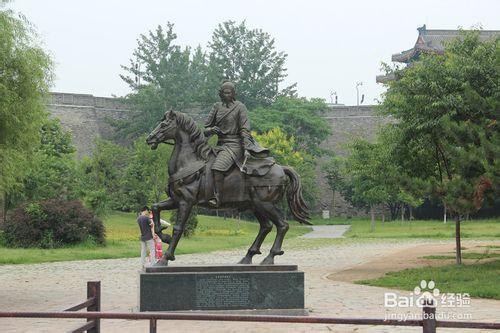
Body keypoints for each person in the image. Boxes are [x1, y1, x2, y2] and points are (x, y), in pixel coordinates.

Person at [204, 81, 269, 206]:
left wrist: (246, 148)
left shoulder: (240, 107)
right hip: (219, 145)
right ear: (220, 94)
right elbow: (205, 129)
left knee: (217, 168)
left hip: (234, 145)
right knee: (203, 165)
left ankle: (217, 198)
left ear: (233, 93)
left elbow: (245, 129)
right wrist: (211, 130)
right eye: (224, 92)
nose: (226, 95)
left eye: (229, 92)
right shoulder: (216, 107)